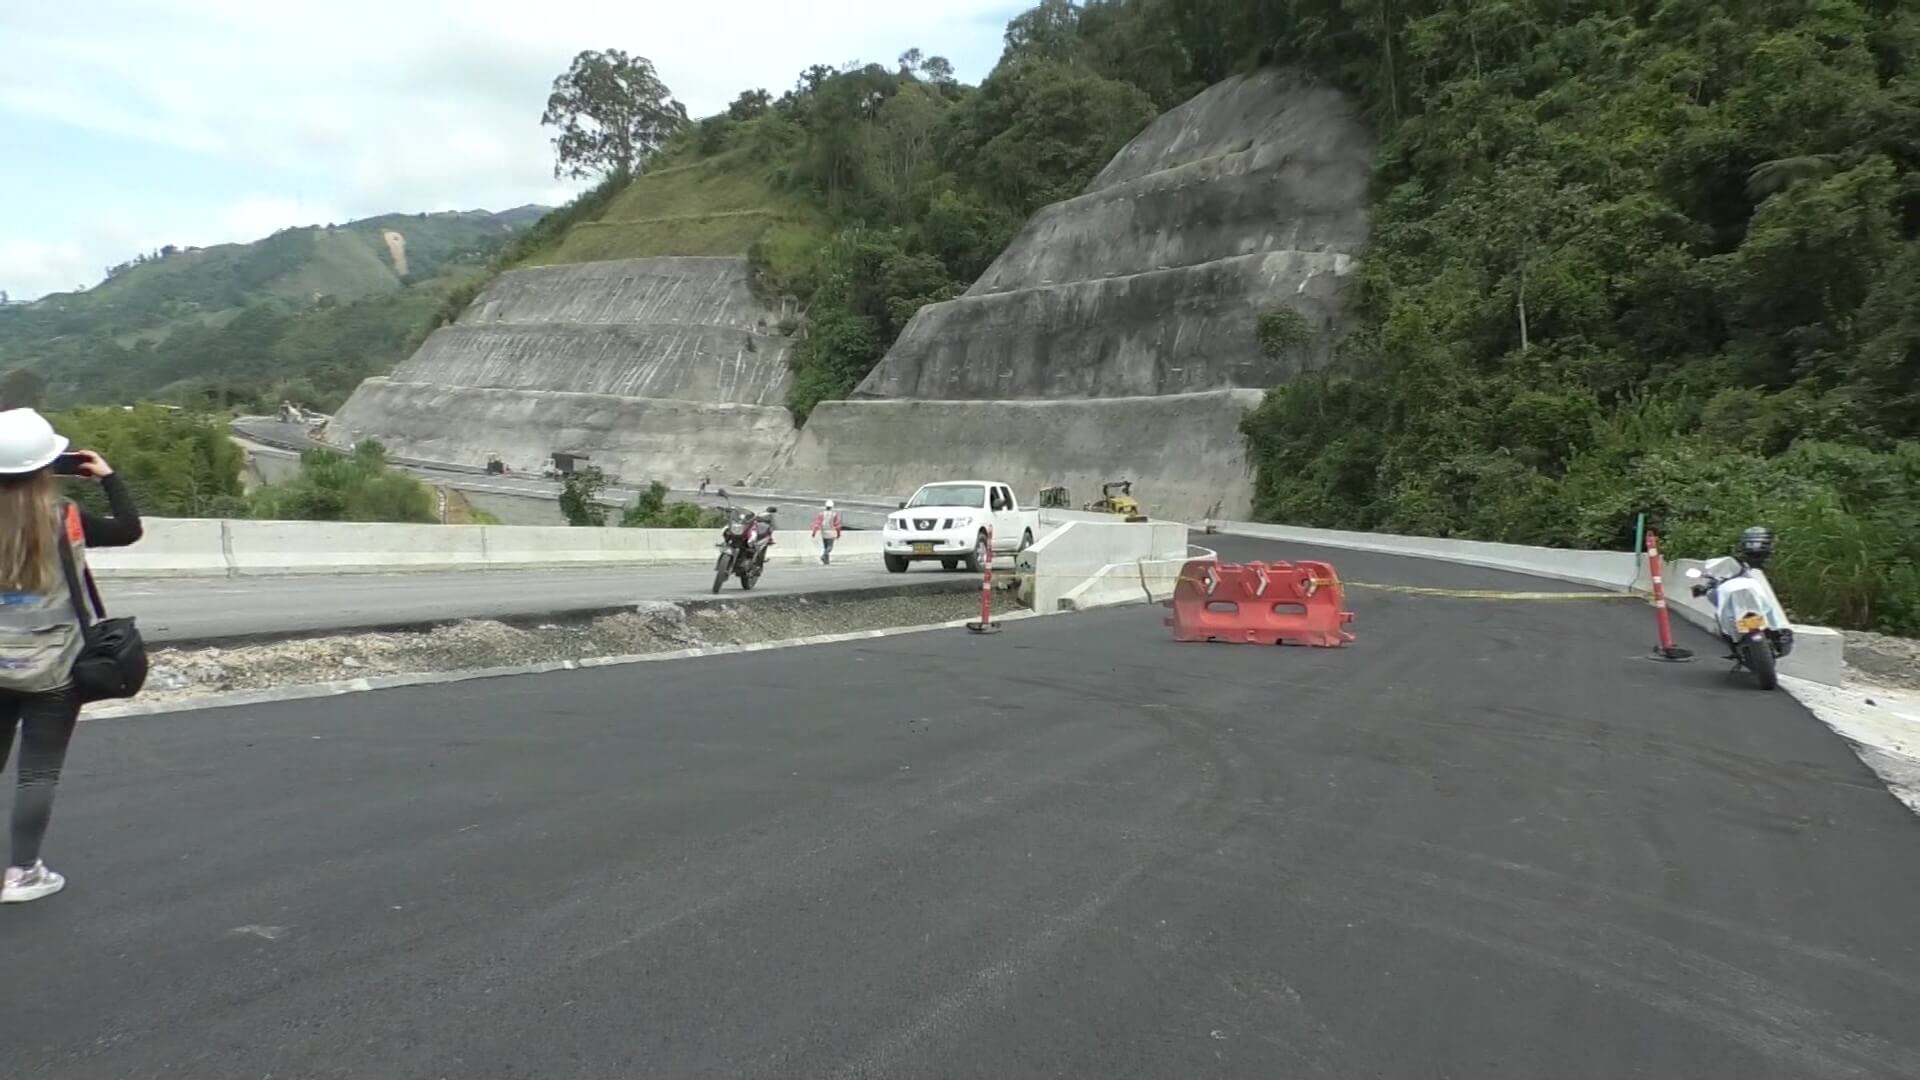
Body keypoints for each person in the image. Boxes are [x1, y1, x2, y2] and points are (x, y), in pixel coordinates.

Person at [0, 408, 142, 904]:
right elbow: (128, 529)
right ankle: (21, 874)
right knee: (37, 773)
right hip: (56, 669)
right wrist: (109, 478)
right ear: (46, 467)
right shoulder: (68, 520)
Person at [810, 499, 843, 565]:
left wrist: (814, 532)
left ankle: (826, 561)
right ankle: (823, 556)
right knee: (830, 547)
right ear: (832, 507)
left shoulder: (821, 514)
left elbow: (817, 524)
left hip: (824, 532)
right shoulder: (834, 514)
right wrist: (839, 534)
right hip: (831, 532)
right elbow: (837, 525)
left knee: (825, 547)